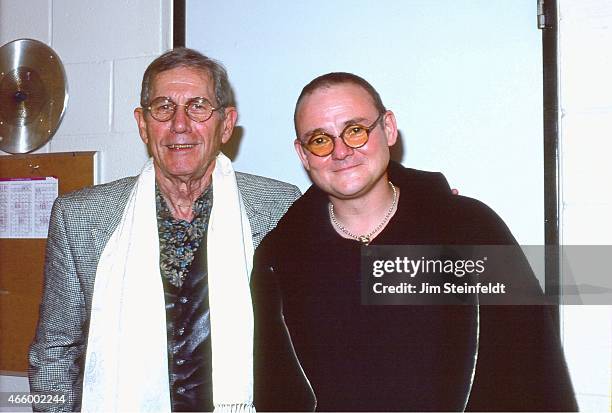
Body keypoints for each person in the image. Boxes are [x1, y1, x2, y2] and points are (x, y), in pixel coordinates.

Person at [252, 72, 578, 411]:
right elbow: (276, 391)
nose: (341, 152)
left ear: (388, 128)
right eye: (320, 140)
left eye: (355, 131)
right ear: (303, 154)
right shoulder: (279, 259)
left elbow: (534, 366)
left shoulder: (470, 230)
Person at [28, 48, 311, 412]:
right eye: (163, 107)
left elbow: (307, 341)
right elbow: (52, 352)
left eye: (198, 106)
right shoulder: (80, 218)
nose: (180, 124)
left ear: (225, 124)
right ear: (143, 124)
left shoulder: (279, 207)